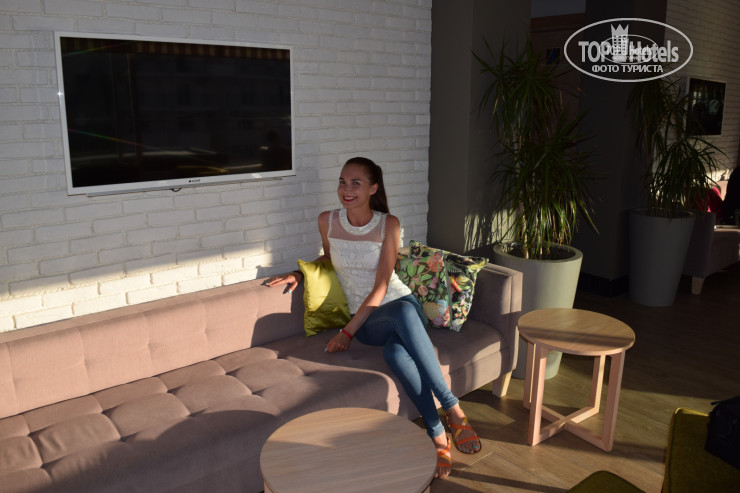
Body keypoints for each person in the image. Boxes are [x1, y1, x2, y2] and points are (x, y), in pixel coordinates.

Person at [265, 157, 481, 479]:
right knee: (399, 327)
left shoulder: (388, 224)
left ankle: (438, 431)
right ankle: (454, 411)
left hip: (400, 306)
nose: (346, 189)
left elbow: (382, 285)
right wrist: (300, 274)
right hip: (368, 321)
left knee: (397, 351)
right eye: (342, 181)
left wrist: (346, 333)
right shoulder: (327, 221)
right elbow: (328, 258)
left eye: (356, 183)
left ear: (373, 188)